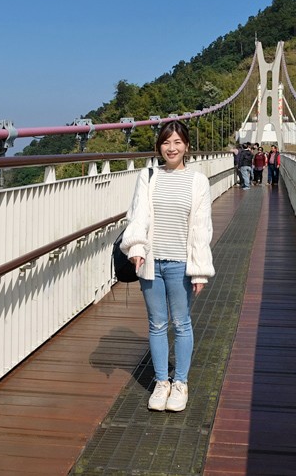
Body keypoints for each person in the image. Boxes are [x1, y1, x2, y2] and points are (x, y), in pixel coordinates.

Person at [120, 120, 215, 412]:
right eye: (165, 142)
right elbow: (138, 216)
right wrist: (136, 247)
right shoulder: (148, 176)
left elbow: (201, 227)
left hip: (180, 264)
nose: (171, 148)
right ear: (158, 147)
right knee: (157, 324)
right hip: (151, 262)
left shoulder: (198, 181)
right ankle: (162, 382)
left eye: (177, 142)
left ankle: (181, 383)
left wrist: (199, 269)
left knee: (181, 323)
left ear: (186, 145)